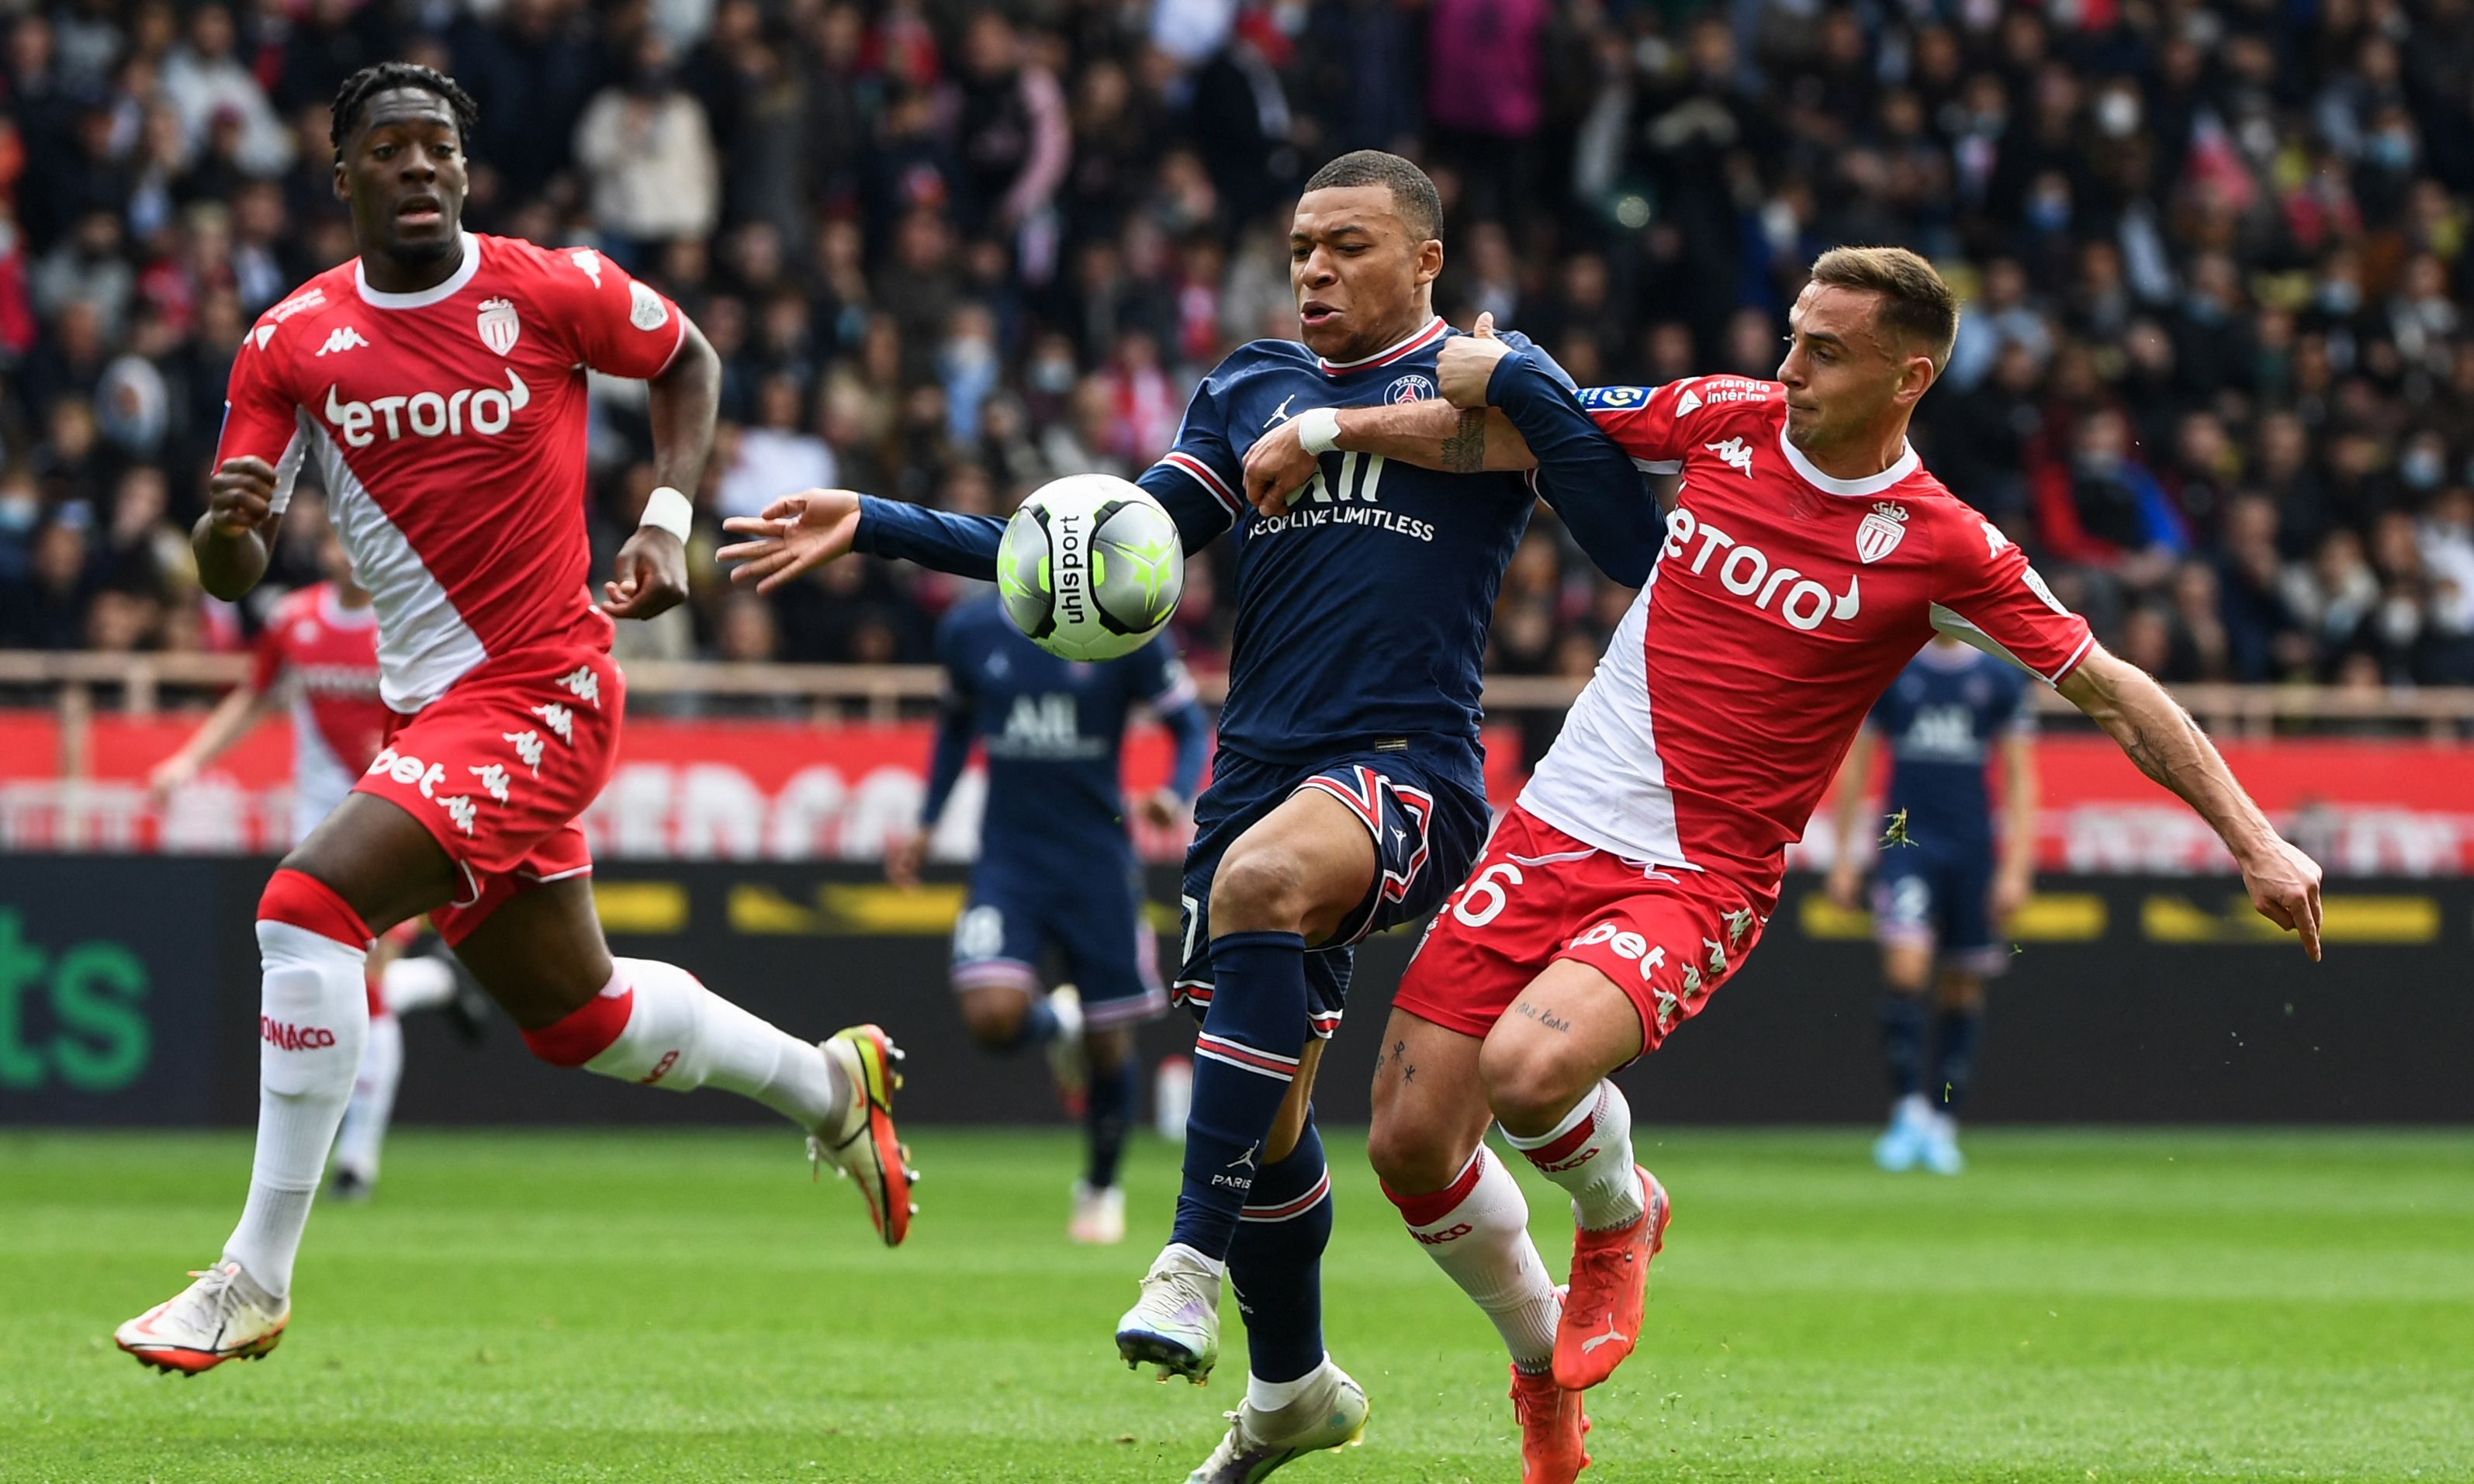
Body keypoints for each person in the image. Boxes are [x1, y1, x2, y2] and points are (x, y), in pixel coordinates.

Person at [1278, 247, 2323, 1483]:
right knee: (1403, 1140)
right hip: (1551, 825)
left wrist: (2253, 838)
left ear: (1907, 375)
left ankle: (1619, 1217)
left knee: (1527, 1069)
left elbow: (2107, 688)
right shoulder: (1725, 417)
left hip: (1698, 876)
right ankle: (1538, 1361)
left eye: (1824, 352)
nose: (1790, 367)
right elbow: (1508, 440)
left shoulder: (1944, 546)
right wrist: (1335, 423)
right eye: (1792, 335)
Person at [720, 150, 1660, 1481]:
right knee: (1269, 1123)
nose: (1316, 270)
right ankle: (1292, 1386)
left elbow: (1630, 540)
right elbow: (1104, 548)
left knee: (1268, 891)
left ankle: (1182, 1262)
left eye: (1346, 245)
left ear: (1427, 260)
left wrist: (1517, 385)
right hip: (1250, 783)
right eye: (1299, 250)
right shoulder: (1246, 387)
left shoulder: (1476, 378)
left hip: (1408, 768)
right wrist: (881, 523)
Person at [113, 63, 915, 1378]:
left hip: (542, 687)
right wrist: (228, 531)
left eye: (438, 145)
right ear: (345, 176)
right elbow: (229, 569)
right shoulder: (290, 343)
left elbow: (688, 360)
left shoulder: (544, 289)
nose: (418, 165)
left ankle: (250, 1277)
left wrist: (665, 521)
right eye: (389, 148)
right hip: (429, 711)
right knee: (578, 1017)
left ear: (466, 170)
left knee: (305, 908)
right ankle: (832, 1086)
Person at [147, 525, 488, 1202]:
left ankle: (358, 1158)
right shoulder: (293, 619)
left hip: (403, 820)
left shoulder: (411, 617)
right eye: (336, 538)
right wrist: (188, 760)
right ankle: (440, 986)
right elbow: (254, 694)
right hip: (319, 833)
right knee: (338, 984)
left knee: (366, 987)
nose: (347, 550)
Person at [898, 592, 1210, 1245]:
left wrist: (1174, 794)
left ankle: (1100, 1186)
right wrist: (927, 823)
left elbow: (1188, 726)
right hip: (1008, 859)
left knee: (1109, 1041)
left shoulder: (1124, 623)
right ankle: (1058, 1021)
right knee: (992, 1014)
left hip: (1097, 861)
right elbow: (956, 727)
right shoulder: (970, 625)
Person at [1823, 632, 2040, 1175]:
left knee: (1963, 981)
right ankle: (1907, 1110)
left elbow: (2019, 775)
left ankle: (1944, 1119)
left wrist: (2016, 867)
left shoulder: (2000, 677)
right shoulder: (1893, 664)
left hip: (1972, 846)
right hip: (1904, 841)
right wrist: (1844, 856)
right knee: (1904, 965)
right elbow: (1856, 764)